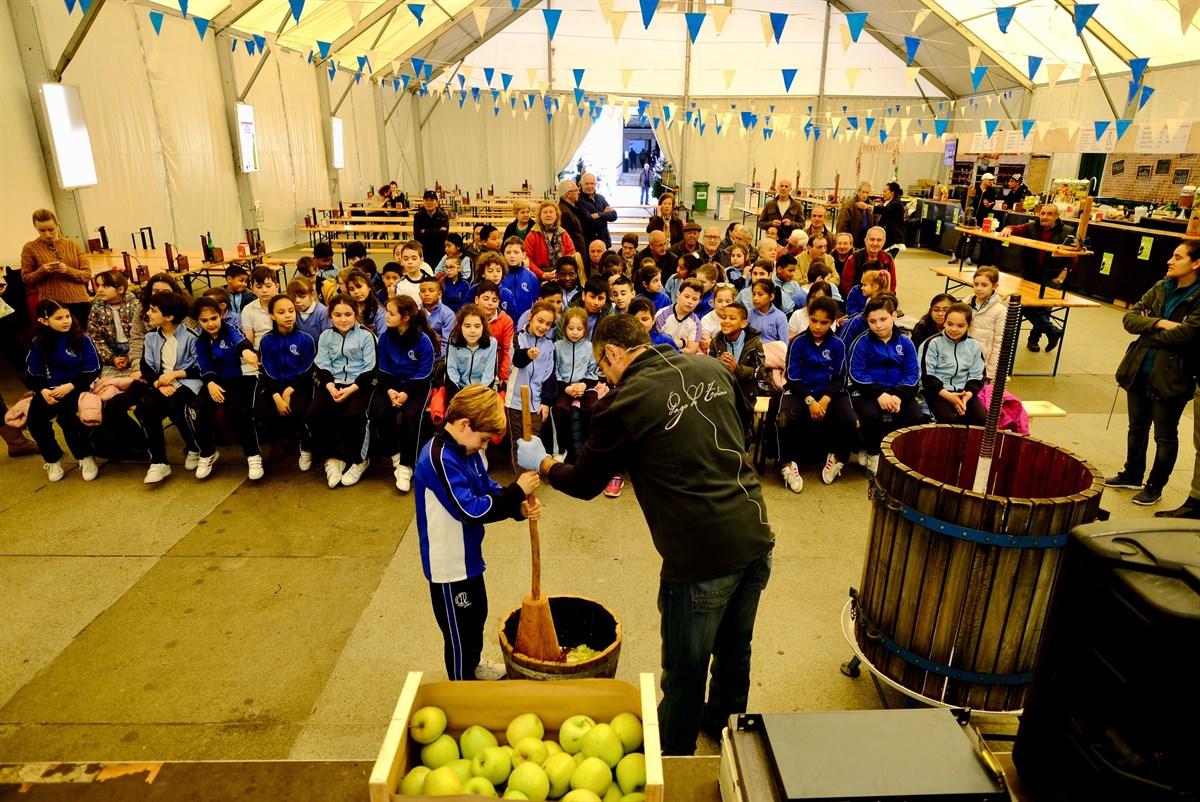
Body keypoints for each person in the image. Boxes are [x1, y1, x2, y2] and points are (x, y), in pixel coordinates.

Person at [516, 314, 774, 755]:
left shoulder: (623, 403)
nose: (605, 376)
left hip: (698, 556)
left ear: (613, 354)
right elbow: (742, 429)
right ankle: (730, 731)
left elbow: (584, 483)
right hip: (755, 532)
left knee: (685, 671)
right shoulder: (712, 368)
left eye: (603, 366)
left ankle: (673, 759)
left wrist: (541, 462)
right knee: (735, 650)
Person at [415, 385, 540, 681]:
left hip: (469, 557)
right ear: (464, 425)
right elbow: (470, 509)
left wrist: (517, 507)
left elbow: (487, 487)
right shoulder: (437, 459)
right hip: (448, 566)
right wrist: (515, 492)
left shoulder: (467, 450)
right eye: (483, 439)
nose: (483, 446)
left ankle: (474, 665)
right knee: (458, 633)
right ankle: (461, 686)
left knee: (476, 617)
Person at [1107, 241, 1200, 506]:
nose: (1170, 261)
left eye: (1178, 257)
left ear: (1196, 263)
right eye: (1172, 256)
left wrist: (1147, 333)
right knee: (1137, 427)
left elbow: (1188, 335)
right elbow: (1130, 319)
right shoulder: (1162, 286)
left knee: (1165, 434)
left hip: (1173, 375)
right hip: (1140, 369)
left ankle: (1154, 486)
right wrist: (1160, 323)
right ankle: (1132, 473)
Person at [779, 295, 858, 491]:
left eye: (824, 322)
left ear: (832, 322)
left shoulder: (838, 344)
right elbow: (792, 376)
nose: (818, 326)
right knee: (784, 418)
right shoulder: (797, 342)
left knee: (850, 419)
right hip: (801, 391)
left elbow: (840, 377)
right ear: (808, 318)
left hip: (829, 392)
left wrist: (824, 399)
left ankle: (838, 458)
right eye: (814, 320)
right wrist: (810, 401)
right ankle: (788, 464)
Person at [24, 299, 100, 482]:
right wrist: (42, 391)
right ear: (44, 321)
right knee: (35, 419)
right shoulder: (37, 343)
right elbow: (33, 372)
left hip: (77, 387)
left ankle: (85, 455)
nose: (66, 321)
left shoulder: (81, 338)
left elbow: (93, 369)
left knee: (67, 418)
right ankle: (54, 457)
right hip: (49, 390)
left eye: (67, 316)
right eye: (59, 318)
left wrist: (71, 386)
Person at [131, 291, 203, 484]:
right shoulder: (150, 337)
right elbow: (146, 367)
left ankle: (196, 447)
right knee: (146, 409)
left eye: (154, 310)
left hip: (188, 382)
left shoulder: (190, 337)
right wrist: (157, 383)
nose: (148, 313)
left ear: (169, 316)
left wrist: (176, 375)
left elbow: (200, 367)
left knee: (176, 407)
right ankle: (159, 462)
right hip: (162, 383)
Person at [848, 295, 923, 475]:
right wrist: (879, 394)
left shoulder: (905, 342)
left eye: (883, 319)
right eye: (872, 321)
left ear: (894, 316)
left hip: (898, 391)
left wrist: (898, 396)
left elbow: (912, 374)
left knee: (915, 416)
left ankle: (899, 454)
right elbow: (856, 373)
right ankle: (872, 451)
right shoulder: (862, 342)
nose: (878, 325)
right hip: (869, 390)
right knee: (871, 414)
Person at [190, 296, 262, 480]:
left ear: (221, 314)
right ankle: (207, 452)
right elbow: (205, 365)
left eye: (214, 318)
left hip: (240, 378)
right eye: (204, 320)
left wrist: (247, 352)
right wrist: (211, 383)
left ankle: (253, 455)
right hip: (215, 382)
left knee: (240, 411)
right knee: (197, 410)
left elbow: (241, 343)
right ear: (198, 321)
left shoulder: (231, 330)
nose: (211, 323)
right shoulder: (201, 341)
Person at [309, 294, 377, 488]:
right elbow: (322, 365)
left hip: (358, 384)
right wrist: (330, 386)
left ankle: (359, 459)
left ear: (356, 314)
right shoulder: (326, 336)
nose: (343, 319)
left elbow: (370, 367)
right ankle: (332, 459)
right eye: (338, 315)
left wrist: (349, 390)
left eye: (348, 314)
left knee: (354, 415)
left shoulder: (366, 336)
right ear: (330, 316)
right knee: (314, 413)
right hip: (333, 383)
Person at [375, 294, 437, 492]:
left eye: (392, 313)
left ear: (406, 317)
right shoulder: (385, 337)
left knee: (412, 416)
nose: (387, 316)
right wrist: (391, 390)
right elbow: (383, 367)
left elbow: (424, 372)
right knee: (379, 410)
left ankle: (406, 465)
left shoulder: (423, 340)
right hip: (392, 384)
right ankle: (394, 454)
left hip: (416, 386)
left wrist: (406, 393)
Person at [998, 204, 1072, 351]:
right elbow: (1016, 228)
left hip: (1052, 276)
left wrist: (1061, 277)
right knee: (1025, 305)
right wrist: (1008, 228)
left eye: (1049, 214)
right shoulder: (1032, 226)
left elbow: (1073, 258)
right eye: (1042, 213)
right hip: (1031, 274)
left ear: (1057, 216)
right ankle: (1052, 331)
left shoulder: (1067, 232)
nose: (1044, 217)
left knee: (1043, 310)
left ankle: (1034, 340)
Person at [255, 294, 317, 470]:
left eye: (291, 311)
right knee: (262, 408)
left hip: (299, 384)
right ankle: (279, 441)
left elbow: (307, 369)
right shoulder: (267, 340)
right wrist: (276, 395)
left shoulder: (306, 338)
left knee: (298, 409)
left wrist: (289, 391)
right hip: (274, 385)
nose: (288, 315)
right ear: (272, 316)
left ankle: (305, 447)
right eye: (281, 312)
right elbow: (267, 370)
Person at [506, 300, 558, 470]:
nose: (543, 327)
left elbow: (550, 375)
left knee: (533, 440)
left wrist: (546, 402)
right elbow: (518, 360)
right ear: (530, 317)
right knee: (518, 442)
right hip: (515, 401)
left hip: (536, 402)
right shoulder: (518, 337)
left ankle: (530, 478)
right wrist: (528, 354)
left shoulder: (549, 346)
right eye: (540, 321)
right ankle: (520, 481)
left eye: (548, 324)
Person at [20, 209, 93, 328]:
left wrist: (67, 270)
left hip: (80, 302)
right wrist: (42, 270)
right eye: (42, 230)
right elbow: (26, 279)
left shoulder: (73, 245)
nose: (47, 234)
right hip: (52, 305)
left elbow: (87, 275)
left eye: (51, 229)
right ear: (36, 228)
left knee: (82, 338)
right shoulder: (30, 248)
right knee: (58, 341)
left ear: (57, 225)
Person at [919, 302, 986, 425]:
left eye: (960, 326)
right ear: (944, 322)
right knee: (948, 419)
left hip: (964, 392)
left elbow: (978, 375)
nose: (954, 329)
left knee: (980, 419)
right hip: (938, 392)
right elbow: (927, 376)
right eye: (950, 324)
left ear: (969, 326)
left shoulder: (974, 345)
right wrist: (950, 397)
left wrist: (967, 396)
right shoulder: (932, 343)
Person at [553, 307, 600, 463]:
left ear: (585, 329)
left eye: (579, 329)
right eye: (571, 328)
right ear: (564, 327)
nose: (575, 332)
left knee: (592, 409)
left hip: (585, 386)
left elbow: (593, 371)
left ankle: (589, 449)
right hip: (564, 386)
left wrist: (583, 385)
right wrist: (566, 387)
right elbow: (555, 370)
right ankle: (562, 449)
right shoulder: (557, 346)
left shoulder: (589, 347)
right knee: (560, 409)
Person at [708, 301, 764, 433]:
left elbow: (760, 372)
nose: (726, 321)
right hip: (720, 392)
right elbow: (709, 367)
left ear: (743, 323)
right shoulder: (716, 341)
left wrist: (737, 369)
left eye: (732, 318)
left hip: (745, 395)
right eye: (723, 317)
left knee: (740, 432)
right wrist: (719, 364)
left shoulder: (754, 343)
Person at [87, 270, 141, 378]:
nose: (100, 290)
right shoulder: (97, 309)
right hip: (112, 354)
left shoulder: (136, 306)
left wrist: (131, 356)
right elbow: (95, 337)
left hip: (137, 352)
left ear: (120, 289)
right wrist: (112, 358)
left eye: (106, 286)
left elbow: (143, 336)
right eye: (98, 285)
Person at [446, 303, 497, 401]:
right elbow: (451, 373)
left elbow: (488, 376)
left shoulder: (492, 343)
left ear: (483, 327)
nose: (472, 331)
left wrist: (476, 397)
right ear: (460, 327)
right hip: (458, 392)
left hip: (482, 393)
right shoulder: (453, 342)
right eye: (467, 326)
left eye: (477, 326)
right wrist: (459, 398)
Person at [968, 266, 1007, 381]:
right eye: (976, 284)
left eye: (984, 285)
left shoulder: (1000, 311)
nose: (979, 288)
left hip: (983, 363)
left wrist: (990, 371)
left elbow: (998, 343)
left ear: (994, 286)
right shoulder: (966, 304)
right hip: (964, 359)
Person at [952, 172, 998, 266]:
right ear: (984, 180)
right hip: (969, 215)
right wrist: (966, 210)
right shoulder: (973, 189)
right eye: (990, 180)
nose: (991, 182)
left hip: (981, 217)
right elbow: (964, 199)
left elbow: (993, 202)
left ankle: (968, 256)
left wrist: (989, 205)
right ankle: (956, 255)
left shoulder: (991, 192)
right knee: (962, 235)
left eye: (992, 180)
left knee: (974, 237)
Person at [524, 200, 577, 279]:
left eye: (551, 212)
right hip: (538, 276)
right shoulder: (532, 235)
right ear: (540, 216)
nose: (548, 215)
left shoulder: (564, 234)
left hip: (562, 276)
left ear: (556, 216)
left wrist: (559, 272)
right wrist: (542, 274)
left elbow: (571, 254)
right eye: (545, 212)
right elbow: (528, 259)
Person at [840, 227, 896, 298]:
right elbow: (846, 286)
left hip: (881, 300)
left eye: (879, 240)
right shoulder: (853, 259)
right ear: (865, 241)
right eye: (872, 239)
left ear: (884, 242)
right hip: (857, 300)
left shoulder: (888, 259)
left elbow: (892, 286)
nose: (875, 243)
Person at [476, 281, 513, 384]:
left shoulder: (506, 321)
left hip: (496, 370)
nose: (490, 303)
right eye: (486, 299)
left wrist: (503, 376)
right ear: (477, 300)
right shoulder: (468, 318)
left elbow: (507, 351)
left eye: (494, 300)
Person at [654, 277, 703, 354]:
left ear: (699, 301)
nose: (690, 301)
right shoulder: (661, 315)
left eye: (694, 299)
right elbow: (656, 345)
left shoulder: (696, 324)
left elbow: (691, 351)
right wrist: (683, 342)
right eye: (686, 297)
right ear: (678, 294)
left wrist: (669, 346)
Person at [577, 173, 618, 248]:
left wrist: (598, 215)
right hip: (589, 243)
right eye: (587, 184)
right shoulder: (578, 201)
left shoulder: (600, 198)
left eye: (592, 183)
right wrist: (605, 214)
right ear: (581, 185)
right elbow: (589, 220)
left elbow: (614, 215)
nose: (590, 186)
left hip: (604, 241)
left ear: (596, 184)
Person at [241, 266, 279, 347]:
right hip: (261, 352)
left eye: (268, 286)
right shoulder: (248, 310)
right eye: (259, 287)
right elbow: (249, 338)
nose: (264, 290)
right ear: (253, 289)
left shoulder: (287, 304)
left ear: (277, 286)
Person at [419, 276, 455, 358]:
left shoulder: (448, 314)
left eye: (431, 291)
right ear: (419, 294)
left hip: (439, 358)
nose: (426, 294)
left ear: (439, 294)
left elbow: (447, 344)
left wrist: (434, 358)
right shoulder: (416, 311)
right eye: (422, 291)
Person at [413, 190, 450, 269]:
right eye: (426, 200)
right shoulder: (418, 216)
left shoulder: (443, 216)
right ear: (423, 202)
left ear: (436, 202)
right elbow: (417, 236)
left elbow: (443, 236)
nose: (429, 203)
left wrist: (425, 231)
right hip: (424, 251)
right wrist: (437, 231)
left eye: (431, 200)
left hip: (439, 251)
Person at [288, 276, 330, 344]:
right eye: (293, 297)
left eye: (302, 297)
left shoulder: (322, 312)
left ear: (312, 295)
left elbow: (328, 338)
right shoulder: (293, 311)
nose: (297, 301)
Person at [747, 280, 789, 344]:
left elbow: (784, 343)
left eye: (760, 294)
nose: (755, 298)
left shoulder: (780, 317)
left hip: (773, 351)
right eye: (753, 294)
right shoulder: (749, 314)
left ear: (771, 297)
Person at [836, 183, 874, 250]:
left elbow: (874, 222)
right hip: (853, 239)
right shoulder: (849, 204)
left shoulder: (870, 204)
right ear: (858, 192)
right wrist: (843, 241)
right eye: (863, 192)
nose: (865, 195)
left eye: (867, 192)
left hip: (866, 241)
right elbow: (842, 225)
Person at [557, 179, 587, 255]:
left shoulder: (570, 209)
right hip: (573, 254)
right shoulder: (564, 212)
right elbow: (566, 238)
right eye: (576, 190)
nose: (579, 192)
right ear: (568, 194)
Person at [875, 181, 906, 254]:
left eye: (885, 191)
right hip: (888, 239)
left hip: (894, 240)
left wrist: (869, 207)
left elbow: (885, 211)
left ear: (892, 192)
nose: (883, 194)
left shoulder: (896, 204)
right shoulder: (889, 203)